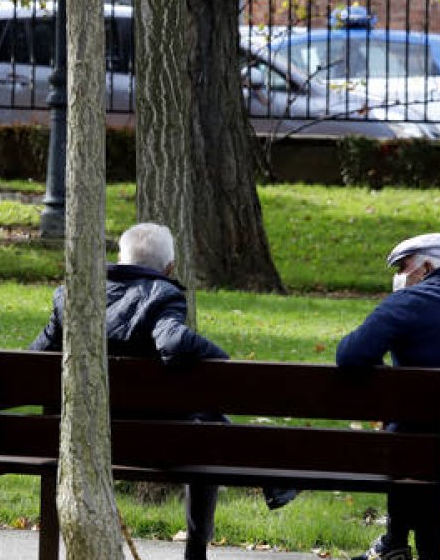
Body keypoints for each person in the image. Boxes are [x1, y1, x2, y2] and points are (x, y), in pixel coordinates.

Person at [28, 222, 295, 560]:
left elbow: (33, 360)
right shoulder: (163, 294)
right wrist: (224, 363)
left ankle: (272, 480)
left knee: (204, 414)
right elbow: (172, 341)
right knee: (205, 427)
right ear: (169, 268)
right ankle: (197, 551)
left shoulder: (73, 295)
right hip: (154, 444)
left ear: (120, 259)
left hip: (78, 439)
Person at [336, 233, 440, 560]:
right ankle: (396, 542)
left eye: (403, 267)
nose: (398, 277)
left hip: (419, 456)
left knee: (407, 446)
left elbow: (349, 355)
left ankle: (394, 543)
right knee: (416, 444)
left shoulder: (407, 304)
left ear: (427, 267)